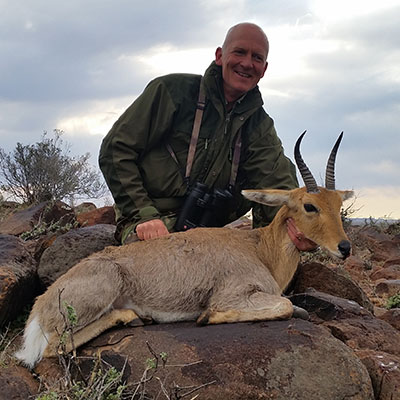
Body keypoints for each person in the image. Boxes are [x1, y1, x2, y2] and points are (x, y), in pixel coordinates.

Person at [99, 22, 315, 250]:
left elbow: (275, 179)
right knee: (160, 270)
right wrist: (143, 215)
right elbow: (115, 149)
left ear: (264, 69)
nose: (247, 63)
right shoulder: (173, 91)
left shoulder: (259, 124)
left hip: (207, 228)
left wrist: (296, 225)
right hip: (150, 218)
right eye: (240, 52)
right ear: (220, 56)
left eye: (257, 58)